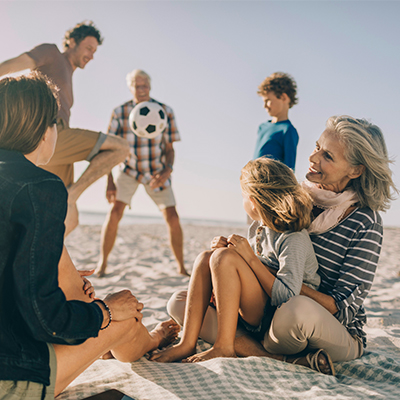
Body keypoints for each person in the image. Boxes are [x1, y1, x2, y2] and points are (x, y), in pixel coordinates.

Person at [162, 115, 397, 375]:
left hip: (325, 325)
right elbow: (264, 251)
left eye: (328, 156)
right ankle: (274, 356)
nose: (313, 158)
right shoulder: (296, 197)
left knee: (295, 311)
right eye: (317, 147)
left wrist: (263, 272)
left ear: (356, 170)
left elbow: (342, 307)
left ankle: (248, 345)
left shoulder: (365, 221)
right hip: (267, 313)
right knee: (180, 303)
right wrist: (229, 268)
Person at [0, 73, 179, 399]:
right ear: (44, 130)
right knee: (124, 314)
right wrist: (106, 312)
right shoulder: (41, 187)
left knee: (69, 273)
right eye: (57, 124)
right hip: (12, 376)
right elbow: (45, 319)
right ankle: (150, 339)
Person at [151, 158, 325, 367]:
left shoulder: (293, 237)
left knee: (223, 258)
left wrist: (247, 258)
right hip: (257, 312)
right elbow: (250, 269)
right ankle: (187, 343)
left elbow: (287, 297)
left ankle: (224, 346)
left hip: (280, 319)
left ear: (253, 200)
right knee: (206, 257)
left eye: (242, 195)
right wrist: (228, 253)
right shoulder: (259, 228)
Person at [0, 21, 130, 236]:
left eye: (95, 51)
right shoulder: (51, 53)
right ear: (72, 42)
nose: (91, 55)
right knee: (121, 148)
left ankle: (45, 261)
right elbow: (14, 64)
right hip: (45, 130)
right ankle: (74, 193)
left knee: (70, 219)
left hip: (57, 144)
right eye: (89, 48)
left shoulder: (68, 73)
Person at [96, 69, 188, 277]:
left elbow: (170, 148)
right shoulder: (120, 112)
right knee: (114, 213)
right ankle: (102, 264)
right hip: (128, 170)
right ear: (130, 88)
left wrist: (168, 170)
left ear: (150, 86)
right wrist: (109, 181)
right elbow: (109, 148)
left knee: (172, 217)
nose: (142, 89)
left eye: (145, 85)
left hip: (157, 171)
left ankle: (181, 267)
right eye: (137, 86)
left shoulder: (165, 111)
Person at [253, 72, 299, 170]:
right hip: (253, 182)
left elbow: (289, 169)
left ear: (283, 98)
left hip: (271, 184)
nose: (264, 106)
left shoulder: (288, 131)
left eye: (267, 100)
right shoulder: (262, 127)